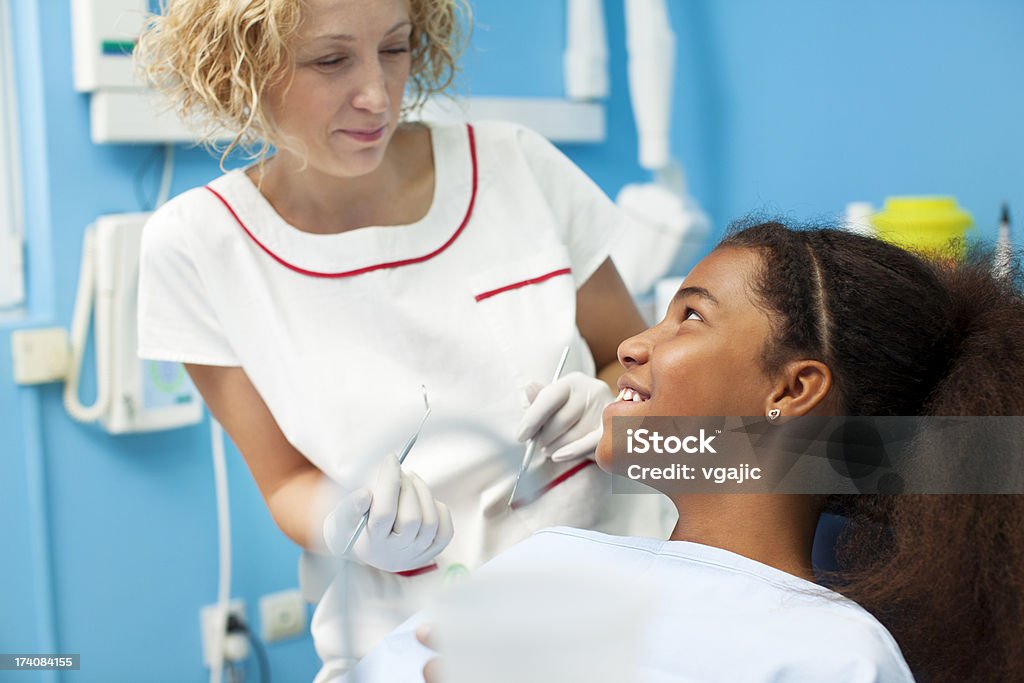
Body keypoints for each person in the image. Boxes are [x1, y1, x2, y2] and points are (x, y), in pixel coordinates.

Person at [133, 0, 675, 678]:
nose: (377, 93)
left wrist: (613, 408)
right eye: (331, 60)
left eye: (396, 47)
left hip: (615, 595)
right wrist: (348, 525)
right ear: (238, 67)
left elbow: (642, 366)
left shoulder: (515, 166)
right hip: (413, 633)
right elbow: (285, 482)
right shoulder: (196, 249)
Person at [347, 220, 1024, 683]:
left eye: (690, 316)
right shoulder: (543, 564)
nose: (631, 346)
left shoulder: (833, 654)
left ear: (792, 388)